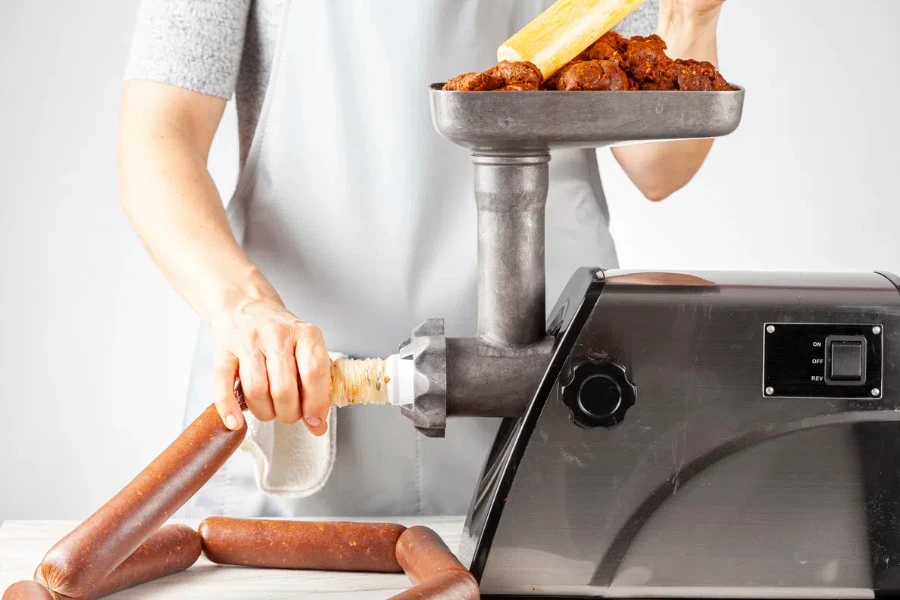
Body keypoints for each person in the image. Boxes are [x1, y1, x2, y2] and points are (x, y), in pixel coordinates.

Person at [118, 0, 729, 518]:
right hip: (298, 384)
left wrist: (691, 14)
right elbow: (159, 134)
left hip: (543, 387)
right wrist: (246, 308)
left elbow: (659, 165)